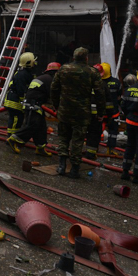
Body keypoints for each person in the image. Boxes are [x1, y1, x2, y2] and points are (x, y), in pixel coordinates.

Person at [51, 47, 105, 179]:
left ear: (74, 57)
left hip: (64, 110)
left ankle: (62, 166)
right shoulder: (92, 72)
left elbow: (54, 88)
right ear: (86, 58)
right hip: (82, 113)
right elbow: (100, 94)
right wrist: (100, 112)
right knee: (77, 140)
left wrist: (57, 106)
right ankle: (75, 169)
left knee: (63, 138)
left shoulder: (63, 69)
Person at [7, 62, 60, 156]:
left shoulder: (43, 77)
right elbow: (53, 95)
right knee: (32, 125)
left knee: (41, 127)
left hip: (32, 104)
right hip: (33, 105)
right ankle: (14, 139)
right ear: (56, 72)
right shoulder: (50, 80)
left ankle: (40, 148)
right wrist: (57, 107)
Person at [4, 52, 37, 139]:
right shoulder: (23, 74)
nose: (35, 63)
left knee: (17, 118)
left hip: (13, 98)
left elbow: (13, 84)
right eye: (33, 61)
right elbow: (20, 89)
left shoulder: (22, 72)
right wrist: (24, 101)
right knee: (16, 119)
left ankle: (13, 136)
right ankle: (12, 137)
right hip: (14, 101)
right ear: (29, 62)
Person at [85, 64, 110, 161]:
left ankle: (76, 152)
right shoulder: (102, 85)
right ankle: (90, 154)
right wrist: (107, 114)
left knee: (80, 132)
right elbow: (107, 102)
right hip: (95, 116)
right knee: (94, 133)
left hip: (83, 113)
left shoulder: (84, 83)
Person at [100, 63, 121, 155]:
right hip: (113, 113)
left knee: (96, 131)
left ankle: (93, 149)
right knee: (113, 131)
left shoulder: (97, 82)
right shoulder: (116, 82)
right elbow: (119, 96)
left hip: (100, 112)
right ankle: (110, 150)